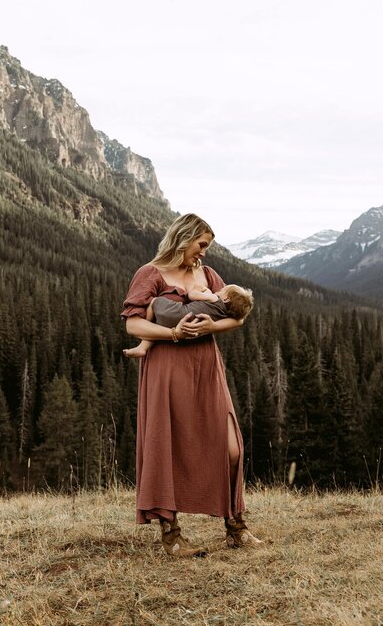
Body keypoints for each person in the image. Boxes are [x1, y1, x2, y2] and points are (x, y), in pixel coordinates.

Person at [121, 213, 263, 557]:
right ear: (183, 239)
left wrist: (209, 329)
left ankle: (236, 526)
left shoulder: (208, 275)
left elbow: (236, 315)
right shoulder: (149, 274)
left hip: (205, 367)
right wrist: (174, 332)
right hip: (166, 368)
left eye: (207, 247)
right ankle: (171, 536)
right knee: (166, 444)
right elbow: (133, 325)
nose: (203, 253)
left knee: (230, 447)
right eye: (201, 245)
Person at [122, 283, 253, 359]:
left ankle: (146, 332)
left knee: (155, 302)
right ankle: (143, 347)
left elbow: (192, 295)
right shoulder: (223, 314)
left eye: (222, 290)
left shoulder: (214, 298)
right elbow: (238, 319)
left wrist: (198, 289)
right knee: (160, 323)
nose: (218, 290)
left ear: (226, 299)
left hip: (179, 313)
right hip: (189, 328)